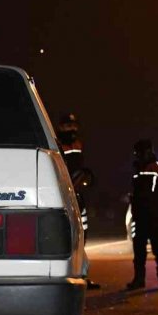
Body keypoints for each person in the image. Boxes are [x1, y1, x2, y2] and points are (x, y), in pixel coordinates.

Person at [56, 113, 100, 290]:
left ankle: (82, 276)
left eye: (74, 126)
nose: (72, 129)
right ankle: (67, 276)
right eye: (68, 126)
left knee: (83, 236)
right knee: (68, 236)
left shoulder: (78, 143)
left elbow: (81, 167)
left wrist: (87, 177)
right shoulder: (58, 143)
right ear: (61, 128)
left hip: (78, 196)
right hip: (65, 195)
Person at [126, 139, 158, 290]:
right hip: (140, 216)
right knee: (139, 250)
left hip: (155, 216)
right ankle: (139, 280)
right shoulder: (136, 168)